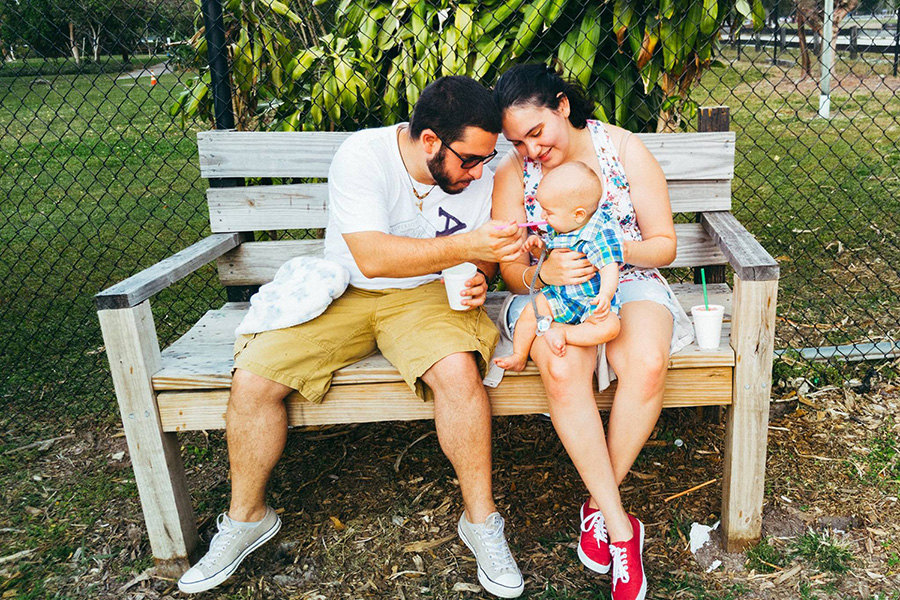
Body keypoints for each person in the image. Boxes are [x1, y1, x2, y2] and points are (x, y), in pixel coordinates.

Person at [177, 76, 528, 598]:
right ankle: (247, 517)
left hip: (429, 296)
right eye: (469, 160)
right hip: (347, 290)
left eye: (486, 158)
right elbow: (372, 257)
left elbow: (488, 257)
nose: (479, 171)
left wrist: (480, 272)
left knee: (458, 372)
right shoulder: (363, 155)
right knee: (254, 378)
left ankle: (481, 522)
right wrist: (469, 246)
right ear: (430, 140)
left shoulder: (482, 171)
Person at [491, 64, 694, 600]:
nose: (530, 150)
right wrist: (544, 270)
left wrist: (603, 250)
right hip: (552, 294)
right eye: (517, 140)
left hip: (627, 280)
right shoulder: (514, 172)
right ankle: (622, 529)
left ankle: (596, 504)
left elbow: (664, 245)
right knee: (561, 364)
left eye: (537, 133)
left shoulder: (622, 150)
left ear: (562, 106)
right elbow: (510, 268)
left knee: (647, 362)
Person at [493, 161, 623, 371]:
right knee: (530, 313)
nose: (543, 216)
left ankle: (564, 332)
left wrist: (606, 296)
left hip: (591, 299)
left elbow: (609, 266)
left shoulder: (599, 233)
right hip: (561, 295)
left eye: (548, 212)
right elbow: (553, 256)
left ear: (578, 214)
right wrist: (538, 249)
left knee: (610, 326)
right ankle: (518, 355)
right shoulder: (565, 224)